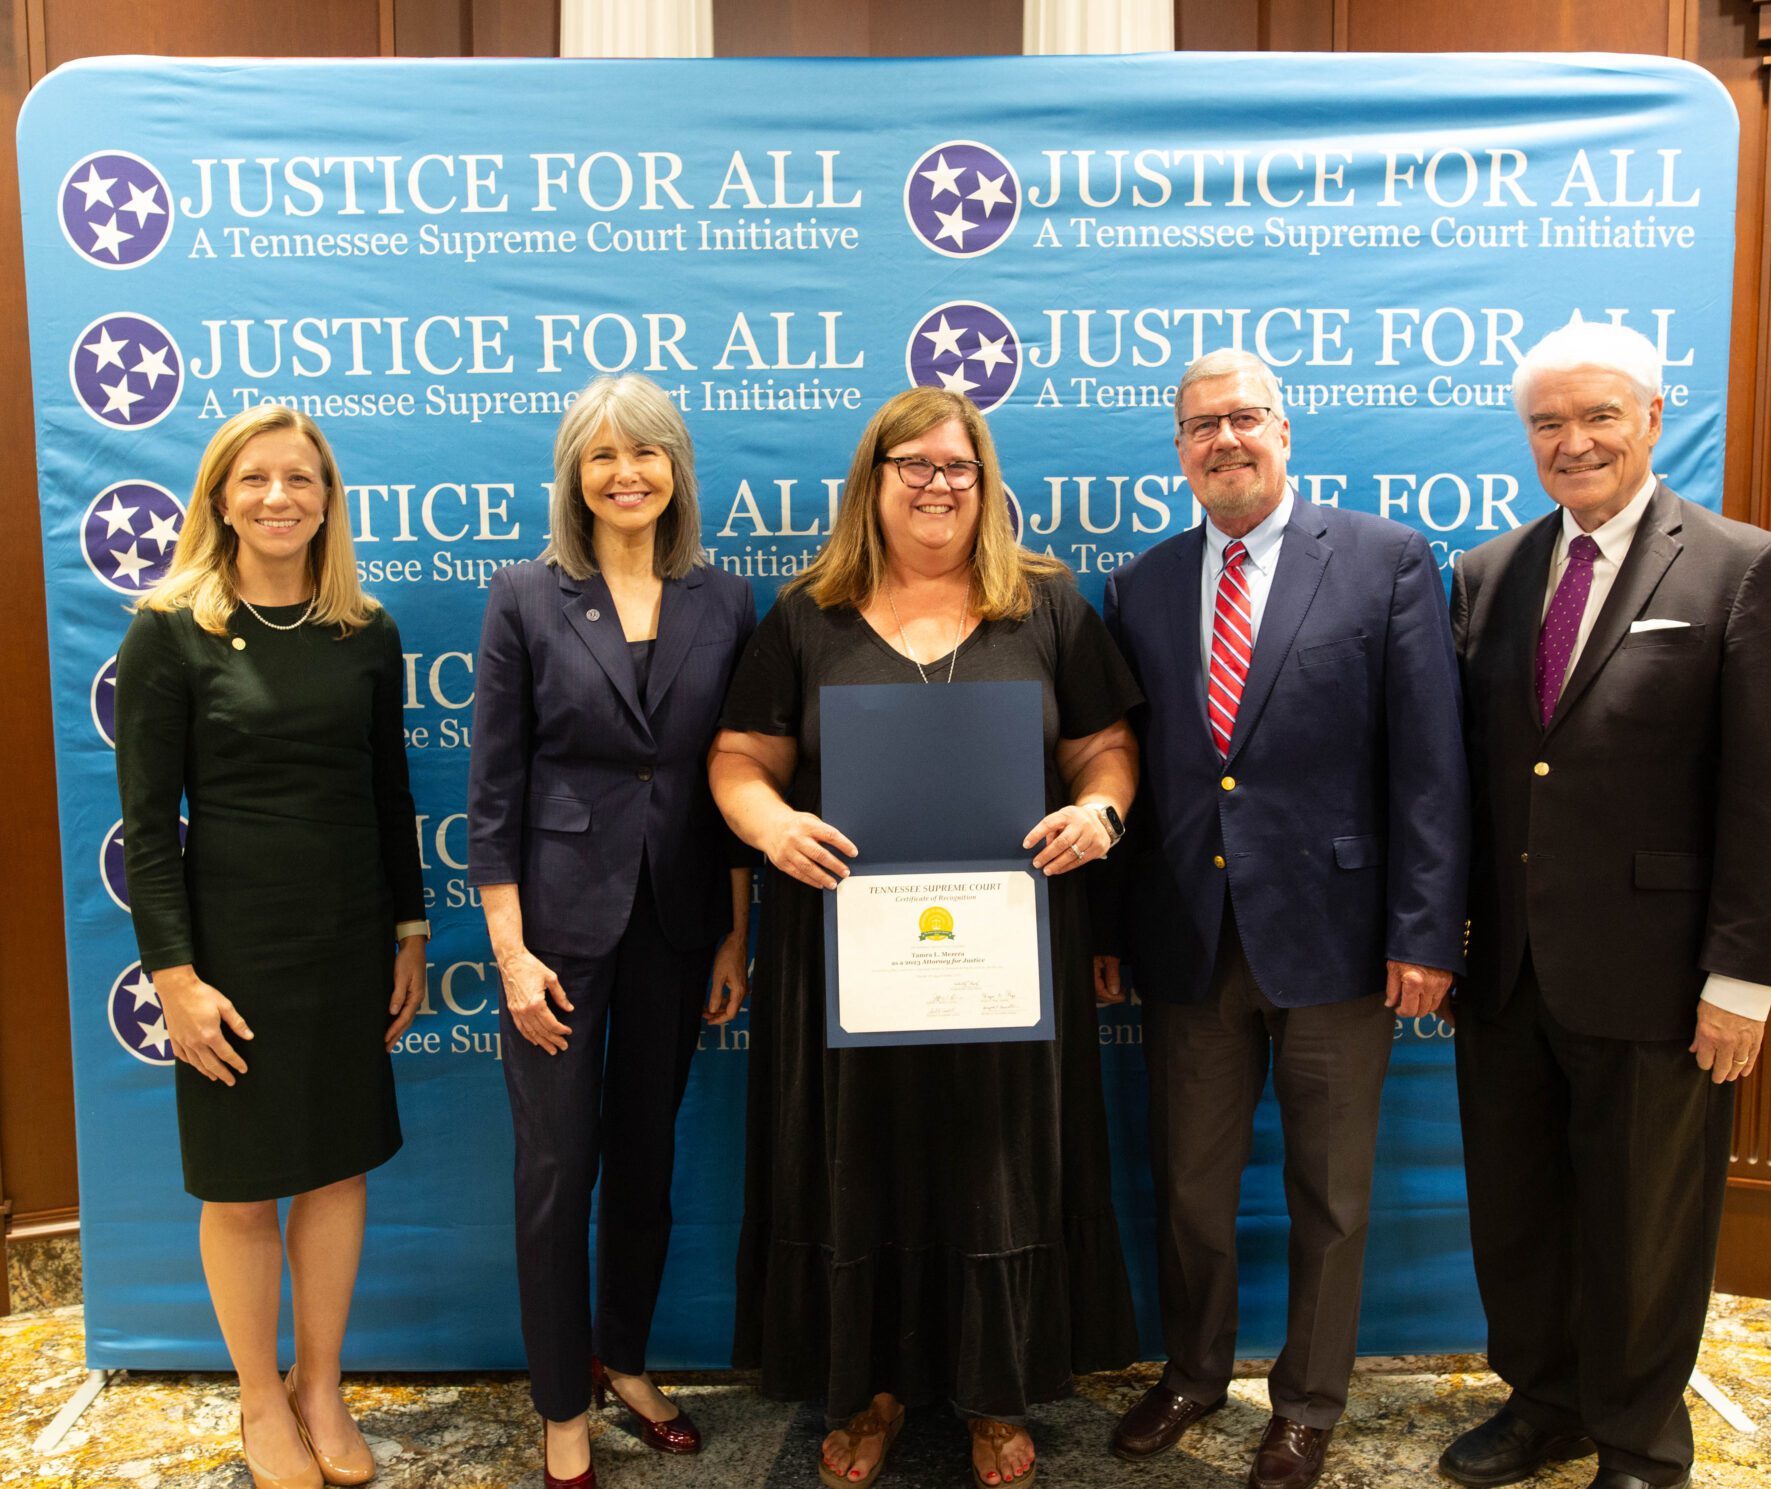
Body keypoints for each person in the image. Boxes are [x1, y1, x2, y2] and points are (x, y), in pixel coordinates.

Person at [709, 386, 1140, 1489]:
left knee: (996, 1167)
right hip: (847, 955)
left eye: (958, 466)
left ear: (985, 483)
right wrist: (772, 824)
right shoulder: (807, 615)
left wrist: (1101, 812)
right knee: (864, 1165)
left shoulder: (1046, 607)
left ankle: (995, 1393)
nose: (938, 485)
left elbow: (1104, 747)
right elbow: (739, 760)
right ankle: (873, 1391)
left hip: (1010, 952)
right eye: (915, 465)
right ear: (874, 480)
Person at [1442, 320, 1771, 1489]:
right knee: (1519, 1210)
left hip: (1659, 971)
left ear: (1653, 417)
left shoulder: (1740, 566)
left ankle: (1643, 1439)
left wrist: (1742, 978)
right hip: (1508, 967)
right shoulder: (1487, 574)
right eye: (1548, 422)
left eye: (1599, 415)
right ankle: (1543, 1401)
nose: (1575, 441)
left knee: (1647, 1223)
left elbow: (1768, 795)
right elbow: (1471, 777)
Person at [1099, 348, 1470, 1489]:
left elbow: (1430, 764)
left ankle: (1307, 1404)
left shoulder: (1385, 559)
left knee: (1331, 1195)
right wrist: (1112, 928)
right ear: (1178, 450)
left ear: (1284, 431)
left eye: (1245, 417)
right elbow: (1131, 769)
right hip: (1189, 937)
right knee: (1191, 1186)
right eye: (1201, 424)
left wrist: (1424, 929)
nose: (1225, 439)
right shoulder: (1142, 585)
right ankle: (1193, 1373)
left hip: (1342, 939)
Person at [115, 406, 427, 1489]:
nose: (279, 497)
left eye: (300, 478)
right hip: (231, 955)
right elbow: (146, 827)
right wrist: (176, 977)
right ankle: (259, 1396)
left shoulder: (365, 630)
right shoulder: (170, 629)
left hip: (347, 940)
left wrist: (409, 929)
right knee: (243, 1185)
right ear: (221, 496)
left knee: (336, 1169)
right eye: (255, 478)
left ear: (328, 499)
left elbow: (390, 794)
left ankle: (319, 1384)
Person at [468, 375, 756, 1489]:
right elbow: (493, 790)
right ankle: (561, 1407)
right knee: (556, 1171)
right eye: (601, 455)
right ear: (574, 476)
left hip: (678, 926)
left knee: (646, 1156)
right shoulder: (524, 594)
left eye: (645, 453)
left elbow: (736, 775)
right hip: (554, 935)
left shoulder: (723, 599)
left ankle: (624, 1360)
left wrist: (732, 936)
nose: (625, 473)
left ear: (676, 469)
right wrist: (510, 953)